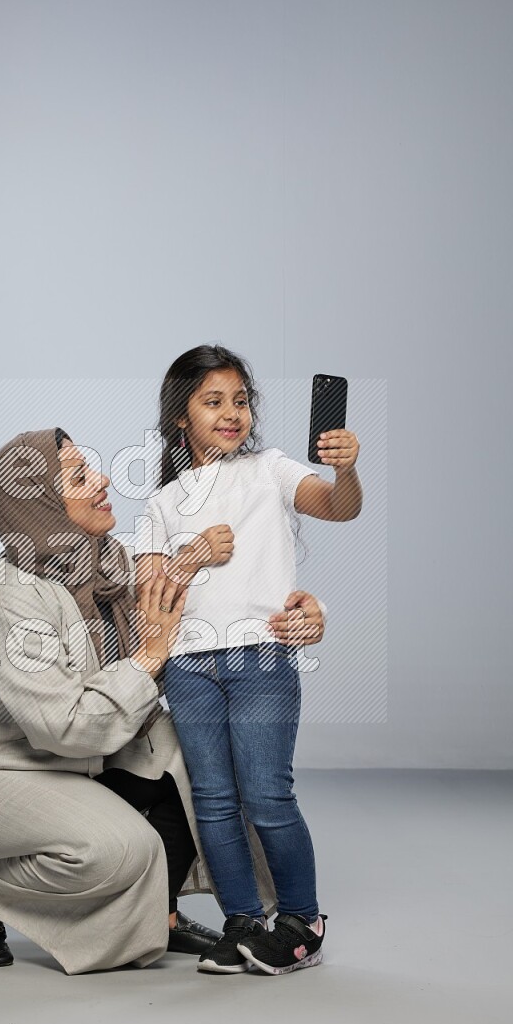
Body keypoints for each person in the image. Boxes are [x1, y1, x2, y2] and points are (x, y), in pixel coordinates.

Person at [0, 426, 329, 975]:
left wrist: (306, 612)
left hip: (66, 764)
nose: (104, 480)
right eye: (80, 477)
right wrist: (149, 656)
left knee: (198, 756)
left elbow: (212, 606)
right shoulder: (11, 598)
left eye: (95, 468)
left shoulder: (108, 565)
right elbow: (64, 728)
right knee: (122, 850)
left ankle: (158, 910)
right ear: (40, 504)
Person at [137, 345, 362, 975]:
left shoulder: (271, 470)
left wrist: (345, 472)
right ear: (180, 415)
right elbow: (150, 598)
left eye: (240, 401)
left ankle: (301, 920)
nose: (231, 413)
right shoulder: (163, 503)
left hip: (261, 656)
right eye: (213, 401)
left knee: (266, 794)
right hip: (189, 665)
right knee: (212, 799)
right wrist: (194, 555)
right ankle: (241, 921)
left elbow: (340, 506)